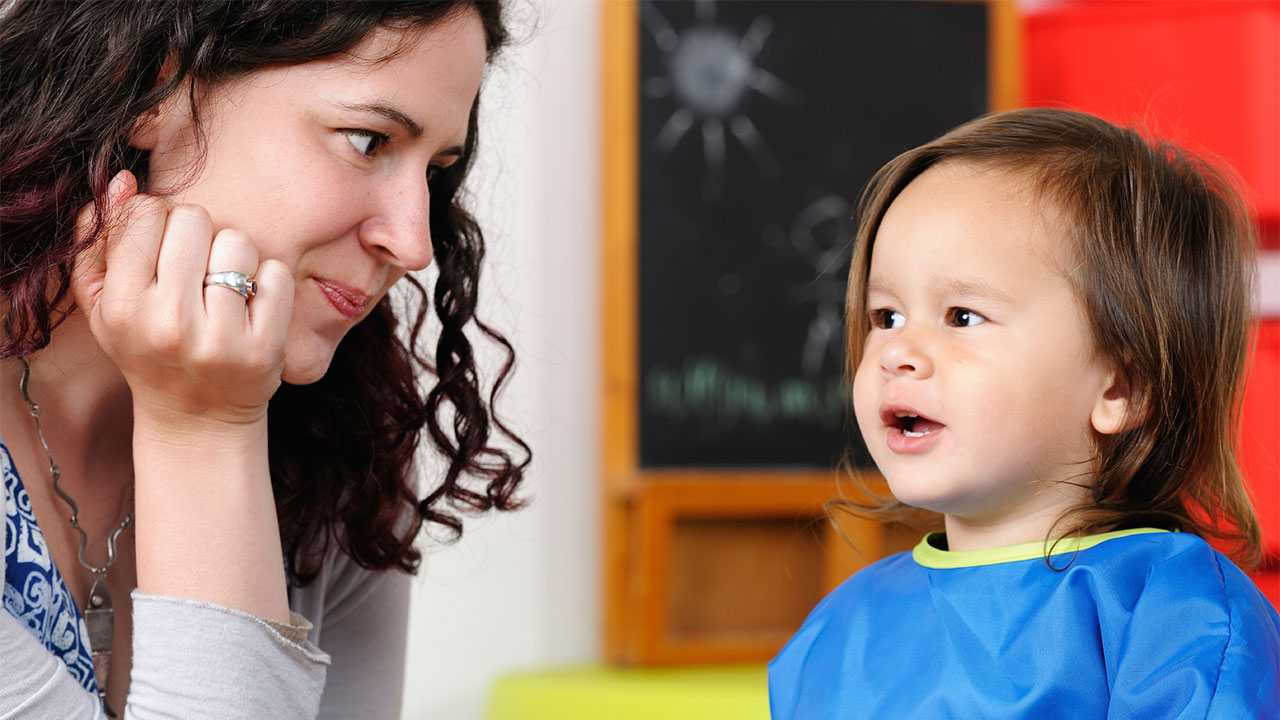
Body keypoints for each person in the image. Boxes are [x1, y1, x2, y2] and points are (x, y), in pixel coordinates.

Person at [0, 1, 529, 717]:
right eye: (368, 141)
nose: (414, 243)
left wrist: (213, 422)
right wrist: (206, 432)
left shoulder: (347, 449)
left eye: (435, 170)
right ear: (153, 90)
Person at [769, 108, 1280, 718]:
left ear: (1122, 388)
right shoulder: (840, 626)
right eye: (887, 317)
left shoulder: (1170, 611)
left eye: (963, 316)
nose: (897, 353)